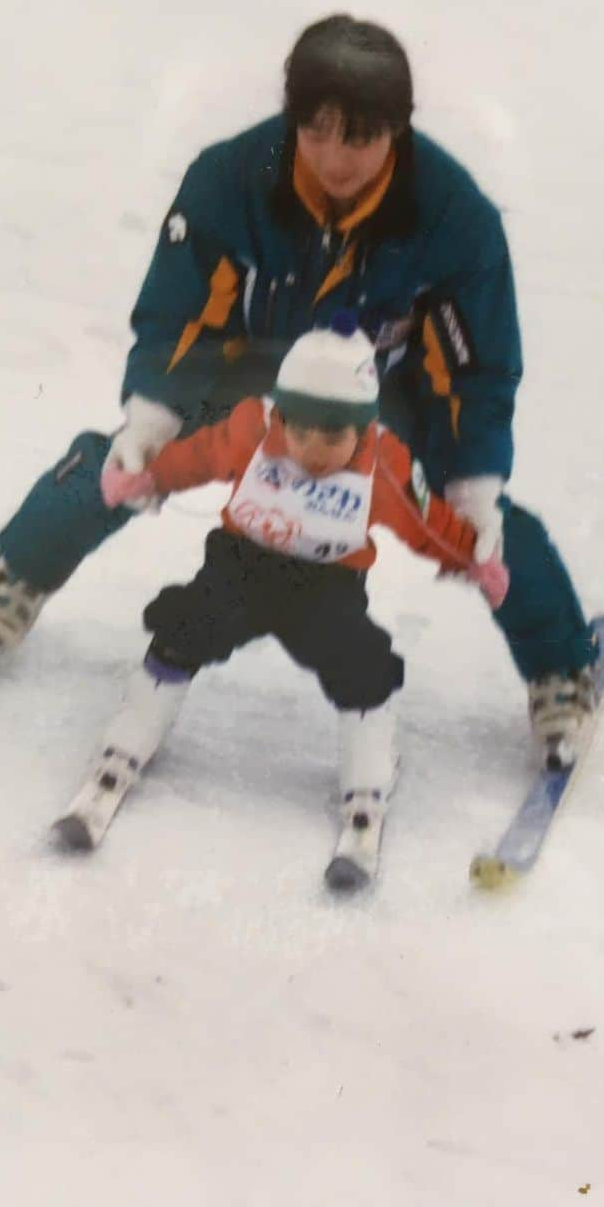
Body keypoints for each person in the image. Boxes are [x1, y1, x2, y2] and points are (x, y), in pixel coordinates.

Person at [0, 13, 598, 766]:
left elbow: (475, 370)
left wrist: (470, 481)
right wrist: (155, 415)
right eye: (317, 130)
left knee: (482, 528)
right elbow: (179, 317)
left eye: (360, 137)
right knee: (121, 464)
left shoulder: (456, 221)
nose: (335, 157)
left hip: (384, 398)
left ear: (397, 131)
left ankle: (561, 665)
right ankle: (19, 574)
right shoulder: (227, 179)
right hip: (249, 378)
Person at [85, 320, 508, 881]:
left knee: (360, 659)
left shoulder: (383, 464)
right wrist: (149, 478)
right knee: (187, 622)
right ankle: (128, 739)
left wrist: (472, 557)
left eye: (332, 438)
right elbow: (198, 457)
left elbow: (423, 523)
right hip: (239, 566)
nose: (311, 451)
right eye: (300, 432)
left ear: (362, 429)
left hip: (325, 588)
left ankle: (367, 777)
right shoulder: (253, 429)